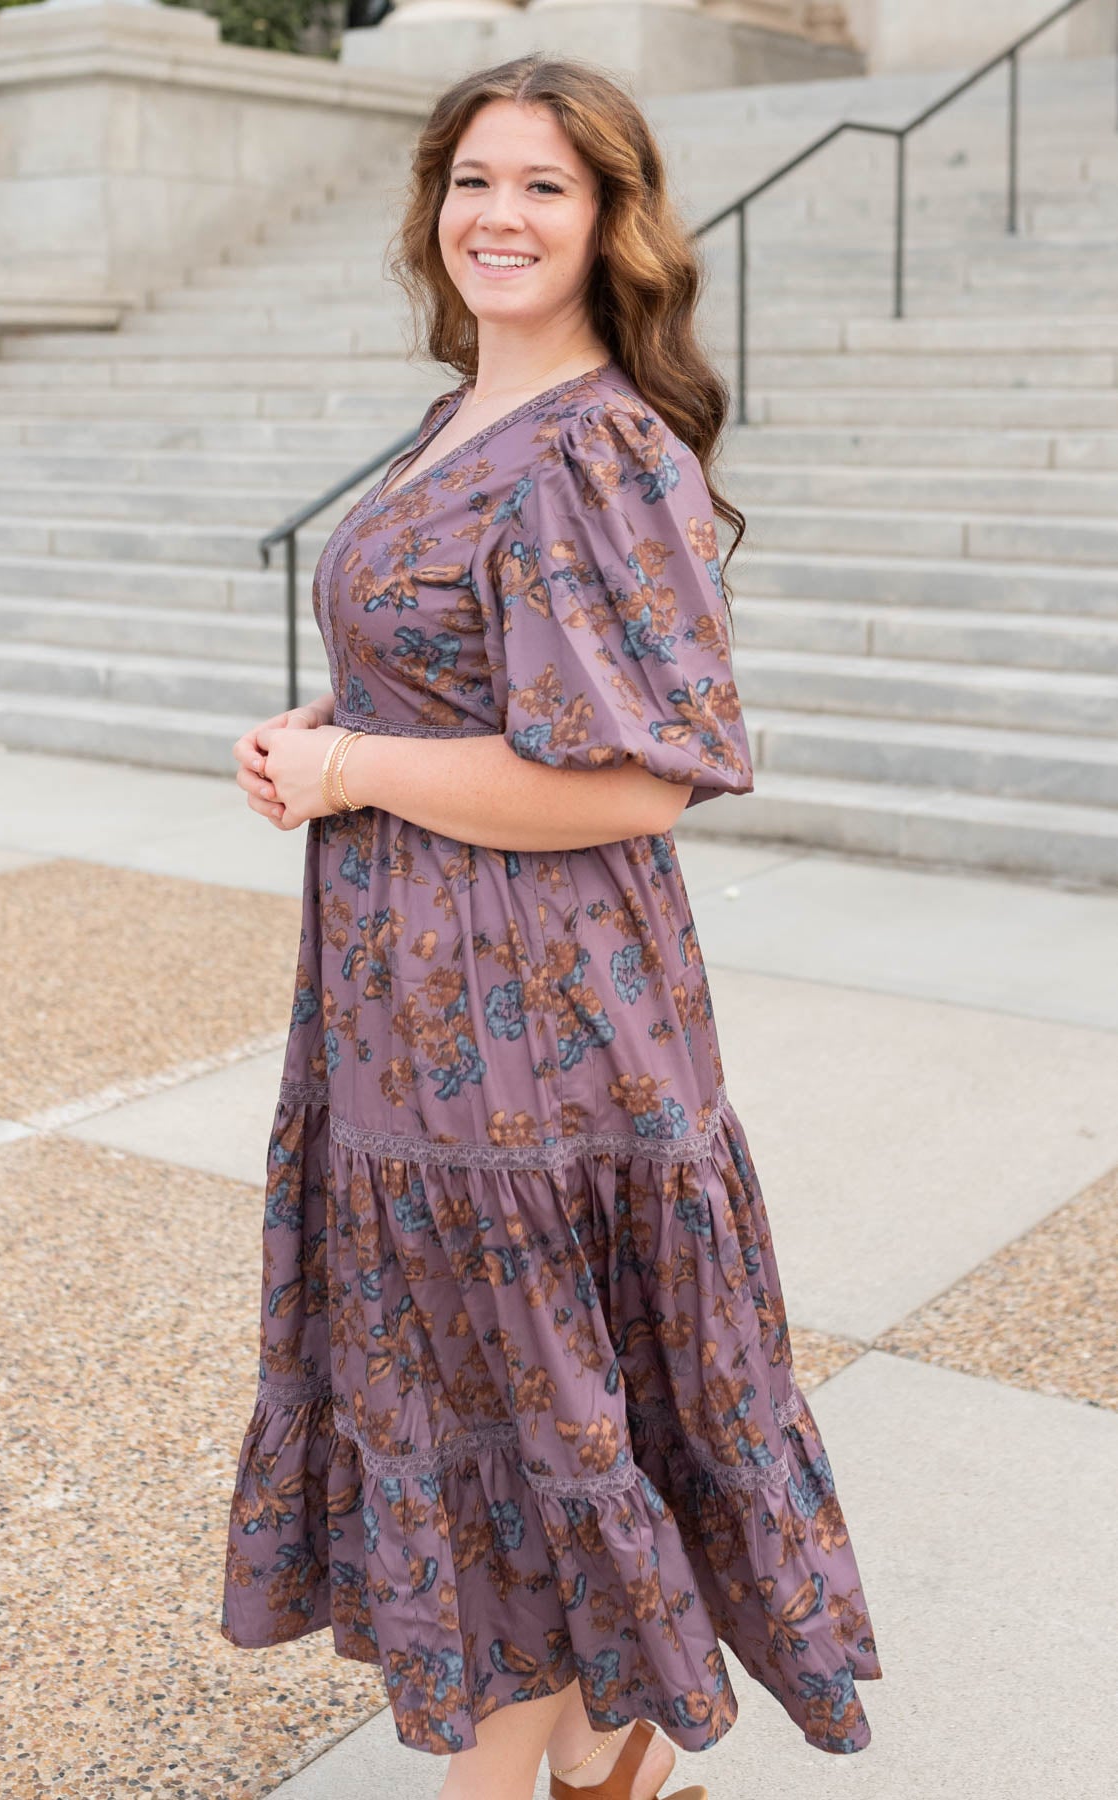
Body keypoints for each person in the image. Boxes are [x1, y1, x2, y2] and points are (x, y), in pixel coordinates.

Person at [221, 52, 881, 1800]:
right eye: (474, 182)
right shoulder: (462, 419)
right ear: (431, 208)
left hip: (535, 1024)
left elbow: (638, 782)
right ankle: (605, 1742)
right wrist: (319, 753)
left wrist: (355, 760)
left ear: (609, 225)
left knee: (526, 1390)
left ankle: (527, 1769)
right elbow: (459, 706)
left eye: (545, 188)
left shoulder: (598, 446)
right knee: (482, 1381)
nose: (498, 217)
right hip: (403, 987)